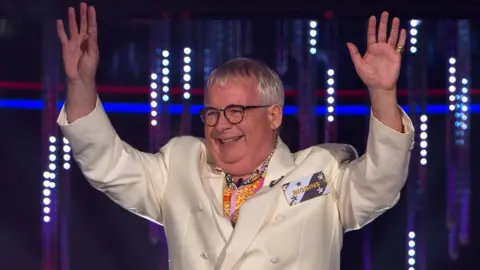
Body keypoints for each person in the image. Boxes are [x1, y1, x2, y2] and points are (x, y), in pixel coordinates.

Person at [56, 3, 414, 270]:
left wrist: (383, 94)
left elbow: (381, 183)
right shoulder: (180, 167)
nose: (220, 125)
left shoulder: (321, 174)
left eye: (236, 111)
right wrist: (80, 83)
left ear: (273, 115)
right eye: (212, 113)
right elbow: (107, 165)